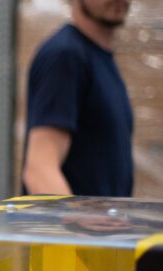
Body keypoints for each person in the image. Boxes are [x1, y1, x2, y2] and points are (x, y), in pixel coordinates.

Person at [23, 0, 134, 196]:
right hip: (74, 226)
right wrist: (76, 224)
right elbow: (39, 172)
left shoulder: (101, 58)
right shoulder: (65, 56)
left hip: (107, 225)